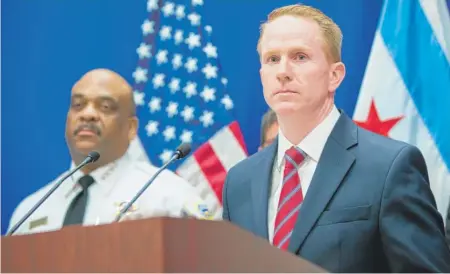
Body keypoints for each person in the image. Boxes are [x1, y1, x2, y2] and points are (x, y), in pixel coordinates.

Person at [222, 4, 450, 272]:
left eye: (300, 57)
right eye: (272, 59)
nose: (282, 71)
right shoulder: (238, 181)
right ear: (262, 75)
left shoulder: (389, 167)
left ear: (335, 76)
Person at [8, 68, 211, 235]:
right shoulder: (31, 211)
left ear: (131, 128)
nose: (87, 114)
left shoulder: (168, 196)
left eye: (105, 107)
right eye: (78, 105)